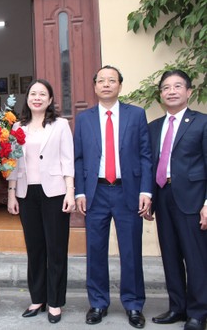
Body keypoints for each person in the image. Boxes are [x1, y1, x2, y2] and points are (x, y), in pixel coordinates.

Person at [74, 65, 153, 329]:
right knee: (95, 250)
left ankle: (133, 305)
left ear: (120, 85)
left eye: (112, 80)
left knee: (131, 250)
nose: (106, 84)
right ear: (94, 86)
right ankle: (98, 303)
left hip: (127, 191)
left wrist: (145, 190)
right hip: (95, 192)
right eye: (101, 81)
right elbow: (79, 158)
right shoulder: (84, 119)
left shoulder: (136, 115)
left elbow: (145, 155)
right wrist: (81, 190)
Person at [7, 79, 75, 324]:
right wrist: (11, 192)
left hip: (55, 192)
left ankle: (55, 301)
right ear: (27, 98)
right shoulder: (18, 126)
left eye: (42, 94)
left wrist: (70, 191)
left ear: (50, 99)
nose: (37, 97)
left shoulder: (60, 125)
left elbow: (68, 159)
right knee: (35, 248)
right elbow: (13, 162)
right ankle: (38, 298)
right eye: (33, 93)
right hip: (27, 193)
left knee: (56, 249)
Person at [147, 70, 207, 330]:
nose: (171, 91)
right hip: (163, 195)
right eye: (166, 88)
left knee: (195, 257)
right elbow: (150, 164)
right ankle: (177, 307)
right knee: (170, 254)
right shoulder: (154, 127)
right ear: (160, 95)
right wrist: (148, 197)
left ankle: (198, 311)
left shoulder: (202, 123)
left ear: (189, 92)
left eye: (177, 86)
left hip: (193, 199)